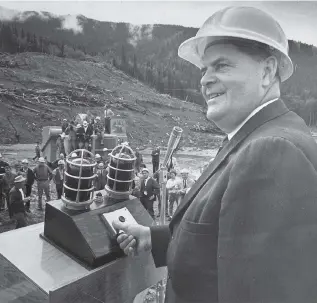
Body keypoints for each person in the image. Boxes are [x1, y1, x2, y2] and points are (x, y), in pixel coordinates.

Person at [113, 6, 317, 303]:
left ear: (268, 71)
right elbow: (222, 235)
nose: (204, 80)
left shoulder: (271, 152)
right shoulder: (253, 138)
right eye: (204, 69)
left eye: (222, 66)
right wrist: (151, 236)